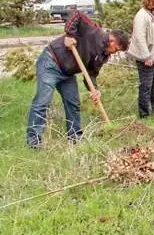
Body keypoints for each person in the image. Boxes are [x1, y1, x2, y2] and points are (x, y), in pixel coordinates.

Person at [26, 12, 129, 148]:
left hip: (67, 73)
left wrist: (95, 89)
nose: (114, 53)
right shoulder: (93, 31)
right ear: (112, 41)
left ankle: (75, 138)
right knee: (43, 101)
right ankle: (34, 141)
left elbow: (91, 73)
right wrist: (69, 35)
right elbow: (76, 15)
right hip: (51, 63)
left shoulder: (103, 55)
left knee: (73, 103)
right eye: (116, 50)